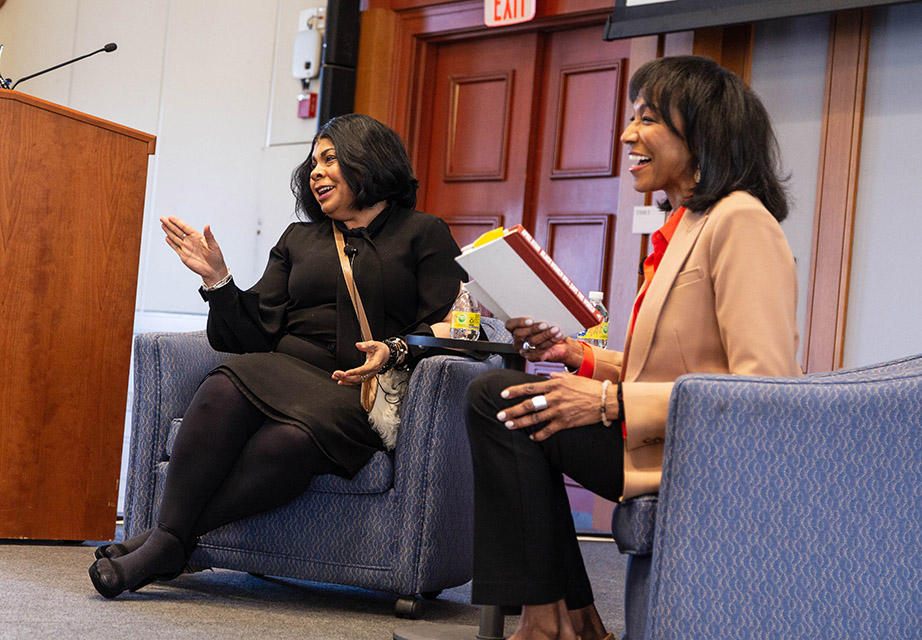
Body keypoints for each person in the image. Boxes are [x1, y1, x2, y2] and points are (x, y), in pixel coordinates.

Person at [465, 55, 804, 640]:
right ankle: (566, 622)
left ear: (701, 135)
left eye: (647, 119)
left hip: (701, 457)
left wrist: (605, 403)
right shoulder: (686, 225)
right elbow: (678, 366)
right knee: (504, 399)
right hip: (660, 433)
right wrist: (579, 356)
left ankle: (554, 623)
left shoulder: (742, 222)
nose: (626, 135)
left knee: (498, 396)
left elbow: (759, 391)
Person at [89, 114, 465, 598]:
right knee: (228, 380)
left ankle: (166, 540)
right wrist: (218, 280)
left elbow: (455, 326)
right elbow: (251, 332)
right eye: (312, 162)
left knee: (290, 443)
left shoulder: (423, 233)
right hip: (283, 369)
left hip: (359, 392)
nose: (315, 171)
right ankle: (168, 542)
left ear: (368, 161)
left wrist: (394, 351)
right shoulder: (298, 238)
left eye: (330, 159)